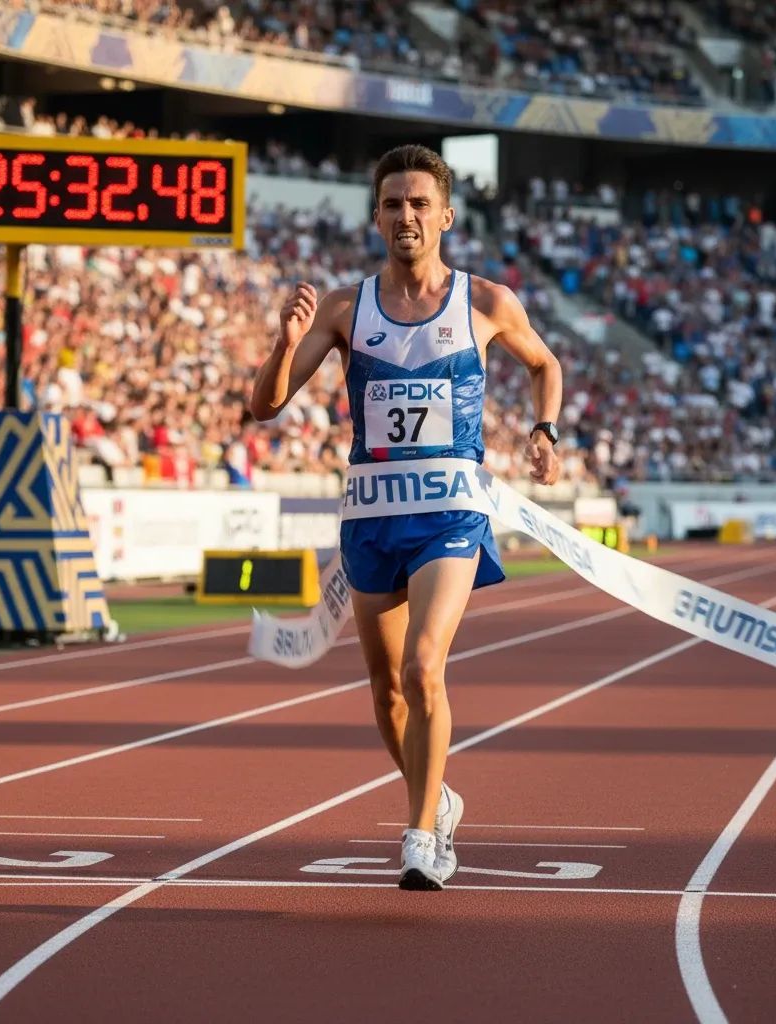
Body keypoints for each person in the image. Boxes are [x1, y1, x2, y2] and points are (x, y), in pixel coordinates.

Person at [250, 145, 563, 891]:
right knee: (387, 692)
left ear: (446, 216)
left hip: (449, 514)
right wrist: (286, 345)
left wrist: (545, 431)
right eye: (393, 204)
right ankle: (438, 794)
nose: (407, 217)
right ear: (377, 216)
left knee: (427, 665)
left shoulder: (486, 302)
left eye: (420, 204)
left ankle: (422, 836)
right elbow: (264, 406)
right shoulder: (344, 309)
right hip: (372, 516)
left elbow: (544, 365)